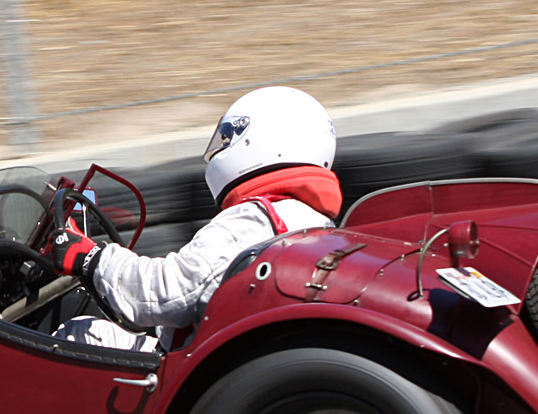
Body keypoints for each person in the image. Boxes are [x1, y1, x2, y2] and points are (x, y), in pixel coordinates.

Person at [48, 86, 341, 353]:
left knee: (80, 333)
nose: (222, 147)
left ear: (260, 141)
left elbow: (166, 293)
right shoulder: (314, 222)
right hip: (236, 353)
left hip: (192, 365)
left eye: (228, 138)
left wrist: (91, 258)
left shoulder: (254, 220)